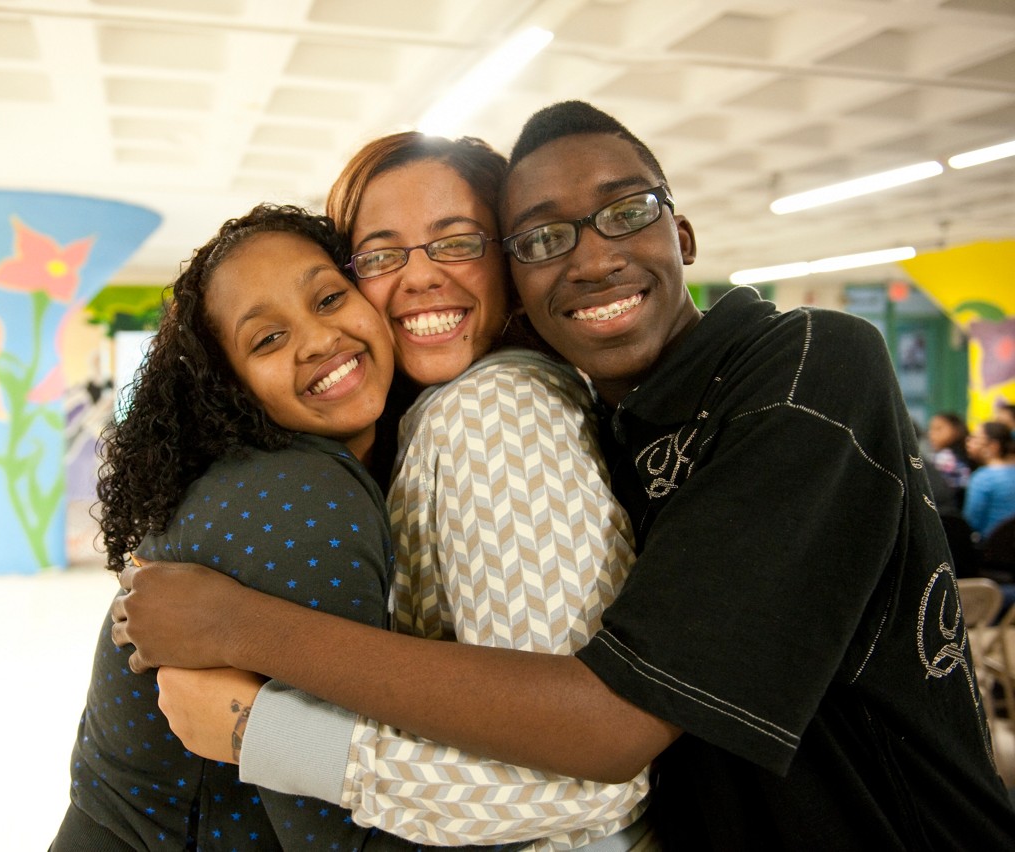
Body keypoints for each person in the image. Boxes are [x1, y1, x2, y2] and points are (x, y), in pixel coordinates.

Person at [111, 101, 1015, 848]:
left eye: (456, 240)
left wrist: (254, 696)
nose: (589, 258)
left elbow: (604, 735)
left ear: (684, 232)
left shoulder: (803, 369)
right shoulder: (615, 414)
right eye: (379, 256)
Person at [152, 132, 651, 850]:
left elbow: (580, 779)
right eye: (383, 256)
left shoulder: (490, 415)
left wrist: (262, 733)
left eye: (456, 242)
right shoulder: (436, 417)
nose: (418, 279)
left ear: (509, 257)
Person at [52, 203, 409, 850]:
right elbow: (342, 834)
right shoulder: (301, 495)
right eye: (266, 339)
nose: (319, 339)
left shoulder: (280, 471)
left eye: (329, 298)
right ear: (230, 388)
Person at [964, 421, 1015, 542]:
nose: (968, 442)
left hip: (992, 550)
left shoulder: (983, 478)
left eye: (975, 439)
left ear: (994, 446)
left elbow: (971, 522)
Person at [927, 410, 972, 506]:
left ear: (956, 430)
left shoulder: (943, 458)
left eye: (938, 429)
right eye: (930, 429)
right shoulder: (966, 455)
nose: (931, 434)